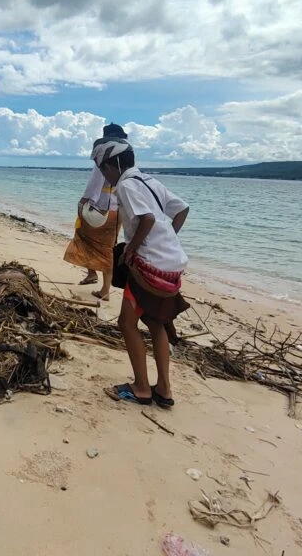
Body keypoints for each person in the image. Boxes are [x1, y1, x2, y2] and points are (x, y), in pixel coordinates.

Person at [94, 139, 190, 408]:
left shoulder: (125, 184)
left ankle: (141, 388)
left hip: (148, 266)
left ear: (115, 165)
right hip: (171, 265)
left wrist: (132, 250)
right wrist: (167, 239)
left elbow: (146, 219)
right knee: (156, 322)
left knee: (126, 323)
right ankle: (165, 389)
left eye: (104, 169)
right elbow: (182, 209)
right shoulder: (149, 180)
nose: (104, 175)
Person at [63, 123, 126, 299]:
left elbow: (95, 185)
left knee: (84, 236)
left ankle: (105, 289)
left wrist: (83, 203)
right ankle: (94, 276)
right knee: (108, 246)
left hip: (101, 207)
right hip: (118, 208)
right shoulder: (126, 160)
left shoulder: (104, 159)